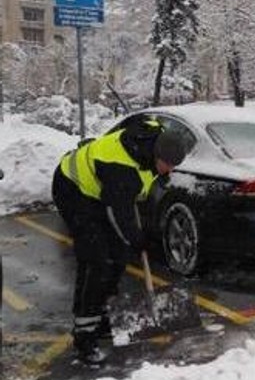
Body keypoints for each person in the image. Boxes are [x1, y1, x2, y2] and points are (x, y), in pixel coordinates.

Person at [51, 116, 187, 366]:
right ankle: (84, 335)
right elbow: (120, 214)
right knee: (97, 260)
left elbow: (130, 201)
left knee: (119, 258)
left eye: (173, 165)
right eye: (166, 164)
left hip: (104, 190)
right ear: (156, 154)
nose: (169, 170)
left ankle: (105, 314)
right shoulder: (122, 170)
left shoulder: (155, 142)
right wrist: (138, 240)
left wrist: (135, 238)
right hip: (72, 188)